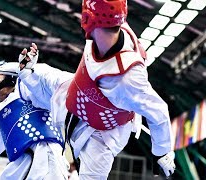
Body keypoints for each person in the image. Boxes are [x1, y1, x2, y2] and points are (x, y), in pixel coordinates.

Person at [16, 0, 176, 179]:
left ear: (86, 18)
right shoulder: (114, 23)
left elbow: (158, 110)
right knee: (35, 74)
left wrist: (162, 152)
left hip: (103, 133)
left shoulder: (127, 78)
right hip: (78, 90)